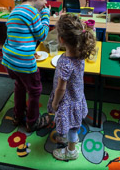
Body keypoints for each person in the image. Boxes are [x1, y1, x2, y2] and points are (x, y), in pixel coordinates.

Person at [2, 0, 52, 132]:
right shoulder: (32, 12)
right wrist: (45, 15)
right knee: (35, 90)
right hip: (24, 62)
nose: (45, 3)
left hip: (10, 60)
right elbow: (42, 35)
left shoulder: (16, 10)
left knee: (19, 86)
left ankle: (17, 116)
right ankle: (32, 122)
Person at [47, 14, 96, 161]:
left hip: (67, 100)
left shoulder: (64, 62)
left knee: (73, 128)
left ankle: (71, 151)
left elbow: (61, 89)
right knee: (73, 124)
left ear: (61, 40)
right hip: (77, 97)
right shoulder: (81, 54)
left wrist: (55, 102)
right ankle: (69, 139)